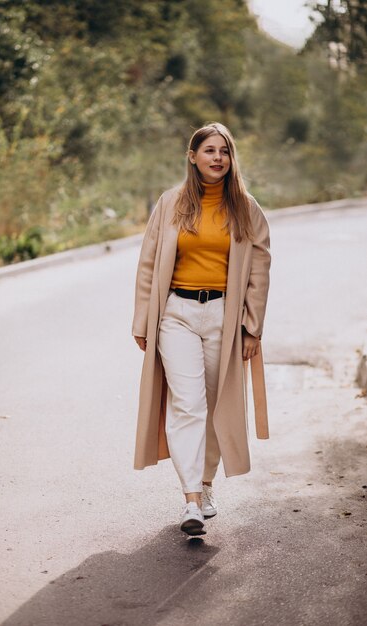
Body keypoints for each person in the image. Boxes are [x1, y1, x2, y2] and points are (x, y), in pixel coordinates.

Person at [132, 122, 271, 536]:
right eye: (209, 150)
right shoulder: (171, 203)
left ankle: (207, 485)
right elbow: (147, 263)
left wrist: (252, 328)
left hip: (224, 318)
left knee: (214, 405)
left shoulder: (246, 208)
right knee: (187, 403)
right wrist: (143, 319)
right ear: (192, 157)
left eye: (224, 151)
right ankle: (191, 498)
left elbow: (259, 271)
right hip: (176, 313)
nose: (217, 158)